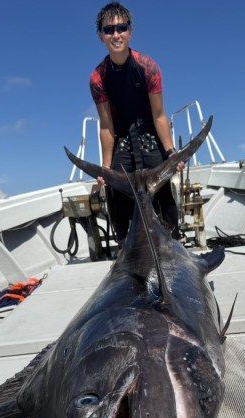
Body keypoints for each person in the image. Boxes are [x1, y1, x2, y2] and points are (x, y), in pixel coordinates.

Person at [89, 2, 184, 242]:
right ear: (101, 36)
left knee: (163, 197)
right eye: (109, 30)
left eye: (121, 28)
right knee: (118, 198)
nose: (116, 34)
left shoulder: (148, 67)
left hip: (150, 136)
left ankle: (172, 242)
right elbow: (106, 125)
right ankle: (126, 248)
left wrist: (171, 152)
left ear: (130, 32)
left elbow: (159, 115)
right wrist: (106, 167)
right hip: (121, 139)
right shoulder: (97, 78)